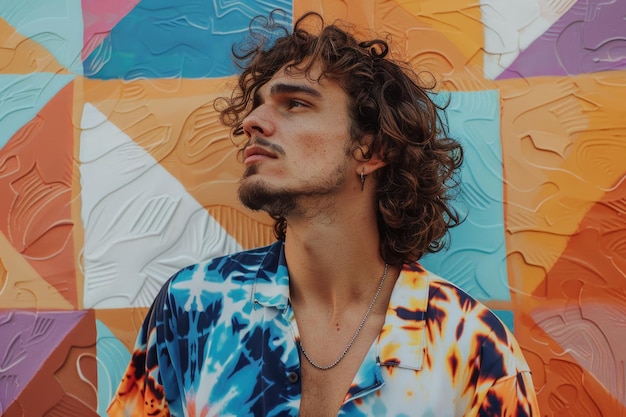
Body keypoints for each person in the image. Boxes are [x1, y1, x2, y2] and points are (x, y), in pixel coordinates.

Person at [108, 11, 540, 417]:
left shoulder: (473, 348)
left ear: (370, 148)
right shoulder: (194, 305)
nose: (253, 121)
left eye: (295, 103)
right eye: (257, 104)